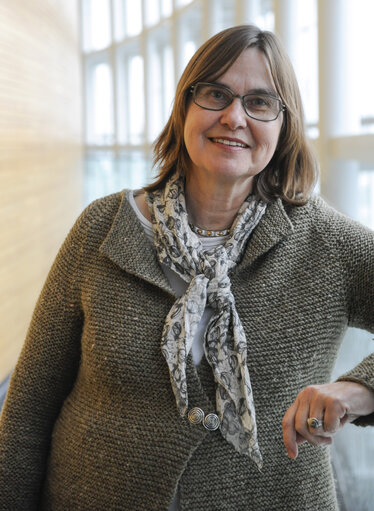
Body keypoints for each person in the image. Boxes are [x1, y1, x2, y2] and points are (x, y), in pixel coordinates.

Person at [0, 24, 374, 511]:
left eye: (260, 102)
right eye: (216, 94)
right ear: (184, 108)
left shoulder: (327, 242)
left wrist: (359, 388)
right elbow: (28, 409)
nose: (234, 117)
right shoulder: (103, 228)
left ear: (284, 126)